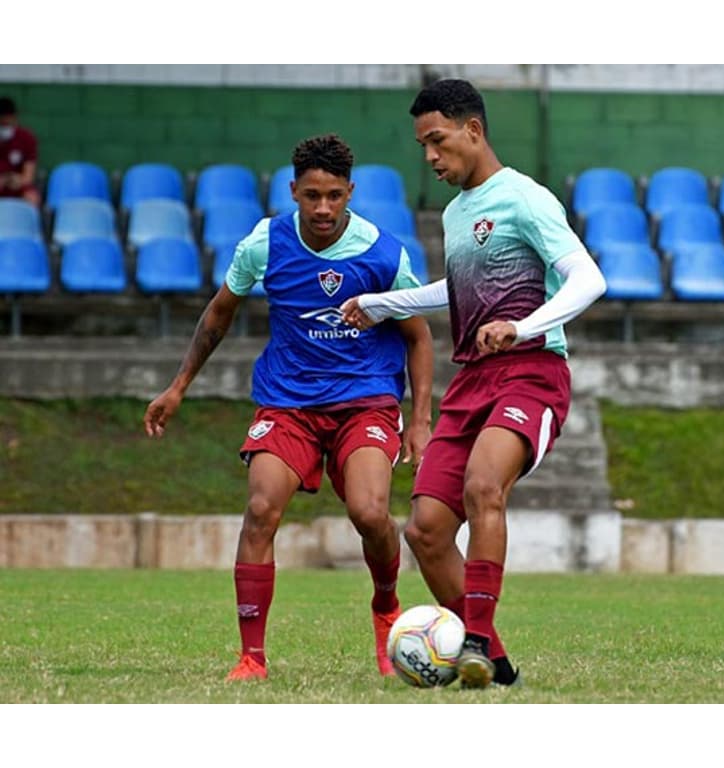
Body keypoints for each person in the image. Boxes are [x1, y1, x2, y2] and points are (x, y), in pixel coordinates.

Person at [341, 78, 607, 688]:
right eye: (422, 146)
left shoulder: (526, 199)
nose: (430, 157)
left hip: (531, 374)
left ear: (474, 131)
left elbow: (588, 280)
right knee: (426, 530)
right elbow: (456, 290)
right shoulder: (460, 211)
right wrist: (383, 303)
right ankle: (495, 662)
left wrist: (523, 325)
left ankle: (476, 637)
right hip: (471, 382)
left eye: (436, 141)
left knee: (485, 487)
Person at [143, 134, 433, 681]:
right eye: (312, 196)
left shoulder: (384, 253)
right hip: (288, 402)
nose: (323, 208)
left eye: (334, 196)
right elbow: (219, 314)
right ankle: (251, 658)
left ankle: (386, 606)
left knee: (371, 514)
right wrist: (178, 385)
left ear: (350, 192)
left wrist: (419, 419)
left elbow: (418, 337)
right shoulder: (265, 244)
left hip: (364, 401)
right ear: (294, 190)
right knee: (260, 510)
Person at [0, 96, 41, 206]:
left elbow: (28, 176)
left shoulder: (26, 138)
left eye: (7, 124)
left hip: (18, 187)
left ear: (15, 118)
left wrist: (17, 180)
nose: (4, 128)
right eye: (1, 124)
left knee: (32, 197)